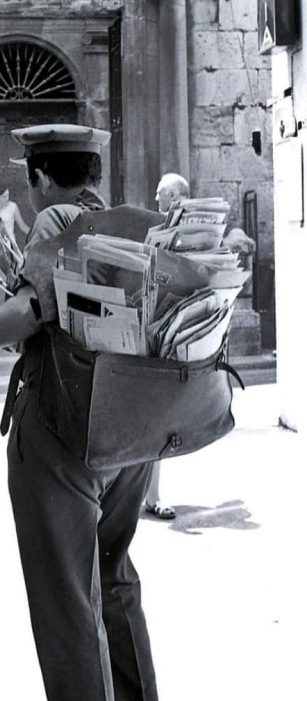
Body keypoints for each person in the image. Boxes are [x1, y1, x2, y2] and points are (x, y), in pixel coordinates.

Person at [0, 124, 162, 701]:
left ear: (43, 177)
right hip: (131, 426)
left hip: (63, 427)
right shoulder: (133, 224)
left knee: (64, 600)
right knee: (114, 572)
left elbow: (26, 309)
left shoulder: (56, 219)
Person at [142, 172, 191, 521]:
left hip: (178, 330)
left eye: (160, 193)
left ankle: (150, 495)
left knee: (160, 416)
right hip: (153, 328)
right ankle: (148, 495)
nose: (155, 198)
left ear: (174, 197)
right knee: (151, 415)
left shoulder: (191, 230)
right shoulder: (155, 228)